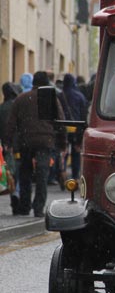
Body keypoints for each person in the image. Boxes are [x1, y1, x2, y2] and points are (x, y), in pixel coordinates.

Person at [4, 71, 67, 217]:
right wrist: (62, 143)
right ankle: (38, 208)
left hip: (25, 141)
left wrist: (8, 141)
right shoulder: (51, 99)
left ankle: (24, 206)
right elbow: (61, 122)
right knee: (42, 175)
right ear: (47, 83)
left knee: (25, 174)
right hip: (46, 141)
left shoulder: (21, 99)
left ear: (33, 83)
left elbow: (11, 122)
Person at [0, 82, 22, 213]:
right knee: (18, 171)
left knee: (9, 171)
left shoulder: (1, 108)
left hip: (5, 145)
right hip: (18, 144)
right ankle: (16, 194)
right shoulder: (17, 106)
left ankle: (13, 192)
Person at [62, 73, 88, 180]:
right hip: (76, 128)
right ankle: (75, 175)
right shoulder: (79, 96)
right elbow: (83, 114)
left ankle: (62, 171)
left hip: (62, 127)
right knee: (76, 153)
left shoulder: (60, 95)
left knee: (63, 151)